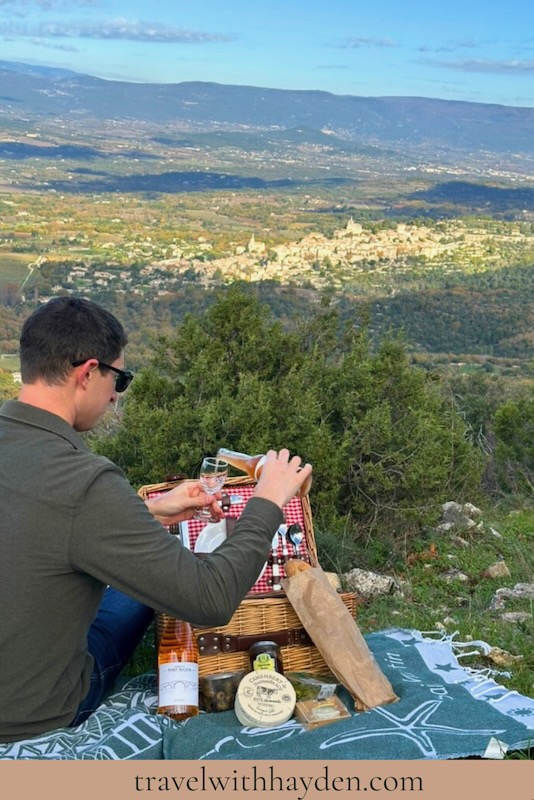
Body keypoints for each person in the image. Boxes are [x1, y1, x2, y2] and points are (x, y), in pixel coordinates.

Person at [0, 296, 312, 744]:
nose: (115, 395)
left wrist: (148, 512)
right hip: (30, 713)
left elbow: (33, 520)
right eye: (119, 379)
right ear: (88, 373)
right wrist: (267, 499)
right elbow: (209, 598)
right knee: (141, 595)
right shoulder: (84, 480)